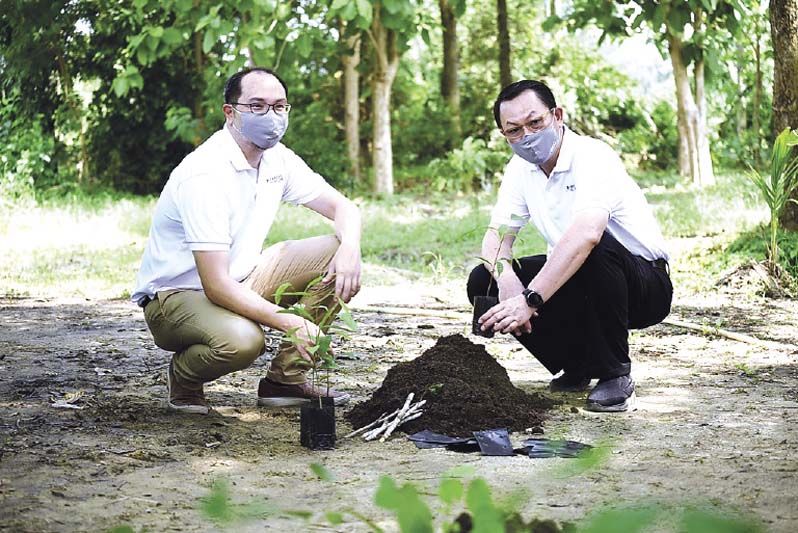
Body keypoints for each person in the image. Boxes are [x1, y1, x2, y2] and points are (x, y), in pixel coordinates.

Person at [131, 67, 362, 415]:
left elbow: (343, 207)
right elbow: (216, 286)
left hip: (241, 277)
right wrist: (292, 322)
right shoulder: (205, 174)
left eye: (279, 106)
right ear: (231, 112)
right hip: (176, 297)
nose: (270, 116)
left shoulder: (277, 158)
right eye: (256, 106)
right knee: (244, 342)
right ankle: (185, 377)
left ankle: (284, 380)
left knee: (333, 251)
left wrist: (350, 248)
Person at [467, 80, 672, 412]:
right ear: (504, 135)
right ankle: (577, 364)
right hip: (582, 282)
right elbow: (496, 237)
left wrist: (530, 298)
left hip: (642, 284)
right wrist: (507, 284)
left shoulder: (592, 156)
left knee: (590, 247)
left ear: (557, 115)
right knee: (483, 278)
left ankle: (615, 376)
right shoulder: (520, 170)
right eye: (514, 130)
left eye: (535, 122)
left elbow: (588, 234)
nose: (527, 135)